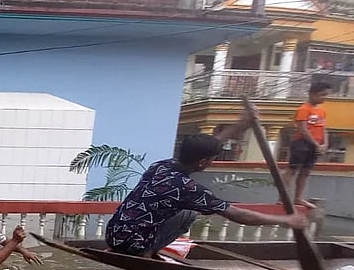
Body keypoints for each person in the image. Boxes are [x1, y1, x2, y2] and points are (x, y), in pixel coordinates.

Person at [106, 107, 309, 259]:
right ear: (203, 162)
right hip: (133, 244)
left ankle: (143, 246)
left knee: (185, 212)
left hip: (114, 235)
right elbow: (238, 215)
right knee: (189, 215)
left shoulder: (160, 166)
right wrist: (286, 221)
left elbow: (210, 145)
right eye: (211, 159)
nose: (212, 162)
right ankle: (146, 253)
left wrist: (242, 124)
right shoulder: (188, 188)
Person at [283, 81, 332, 209]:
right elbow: (303, 130)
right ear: (312, 94)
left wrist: (325, 144)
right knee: (292, 170)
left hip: (315, 146)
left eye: (326, 95)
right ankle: (282, 197)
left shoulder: (322, 111)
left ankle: (298, 198)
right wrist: (316, 144)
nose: (324, 98)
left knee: (305, 172)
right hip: (301, 143)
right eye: (322, 95)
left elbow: (324, 128)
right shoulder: (303, 109)